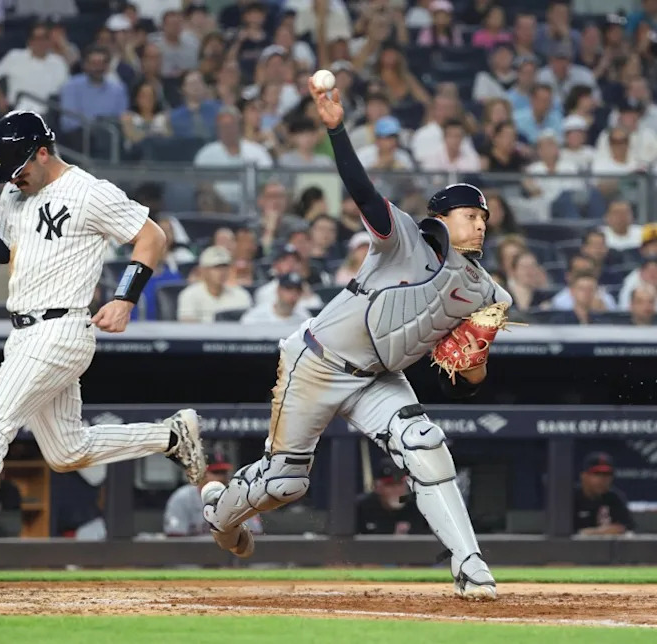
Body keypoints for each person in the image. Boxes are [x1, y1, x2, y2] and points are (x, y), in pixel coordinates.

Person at [200, 78, 513, 600]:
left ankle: (470, 563)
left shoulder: (489, 294)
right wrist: (337, 128)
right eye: (469, 216)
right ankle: (219, 510)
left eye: (484, 218)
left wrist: (475, 363)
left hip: (378, 379)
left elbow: (468, 386)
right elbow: (363, 190)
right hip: (318, 360)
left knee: (425, 444)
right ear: (442, 218)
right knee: (284, 484)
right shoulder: (404, 237)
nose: (480, 225)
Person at [0, 111, 207, 589]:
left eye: (18, 169)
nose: (13, 180)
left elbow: (151, 236)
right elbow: (3, 245)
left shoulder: (88, 190)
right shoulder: (15, 191)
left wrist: (123, 298)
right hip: (25, 332)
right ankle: (171, 437)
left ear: (41, 151)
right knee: (65, 450)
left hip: (60, 328)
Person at [164, 451, 262, 537]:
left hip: (231, 556)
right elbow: (175, 538)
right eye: (216, 472)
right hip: (192, 555)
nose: (221, 478)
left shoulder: (241, 498)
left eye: (224, 472)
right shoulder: (182, 498)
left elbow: (255, 536)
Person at [176, 245, 252, 322]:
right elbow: (187, 327)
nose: (222, 272)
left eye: (225, 267)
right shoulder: (189, 294)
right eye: (216, 267)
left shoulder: (241, 294)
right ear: (203, 270)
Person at [356, 457, 430, 535]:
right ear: (377, 488)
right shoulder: (362, 507)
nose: (396, 490)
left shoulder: (419, 504)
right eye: (390, 485)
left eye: (399, 484)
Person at [574, 452, 634, 536]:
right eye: (597, 474)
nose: (603, 479)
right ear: (584, 476)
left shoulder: (614, 497)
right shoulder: (570, 497)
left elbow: (625, 527)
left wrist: (593, 532)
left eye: (607, 474)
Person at [241, 272, 312, 325]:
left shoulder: (304, 317)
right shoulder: (256, 315)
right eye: (288, 289)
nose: (293, 294)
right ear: (278, 290)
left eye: (298, 291)